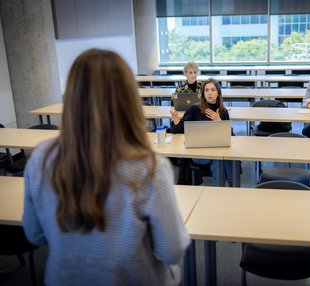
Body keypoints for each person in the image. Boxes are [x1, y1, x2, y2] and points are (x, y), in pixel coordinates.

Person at [22, 49, 190, 285]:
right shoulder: (150, 167)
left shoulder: (40, 160)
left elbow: (35, 234)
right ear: (130, 99)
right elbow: (172, 251)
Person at [170, 78, 233, 186]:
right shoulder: (194, 109)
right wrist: (176, 122)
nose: (209, 93)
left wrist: (219, 122)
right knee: (220, 159)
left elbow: (229, 135)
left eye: (213, 90)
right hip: (199, 152)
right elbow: (180, 130)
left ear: (218, 93)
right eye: (206, 90)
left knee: (219, 158)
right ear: (203, 93)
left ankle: (219, 190)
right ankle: (229, 186)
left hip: (217, 149)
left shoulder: (223, 111)